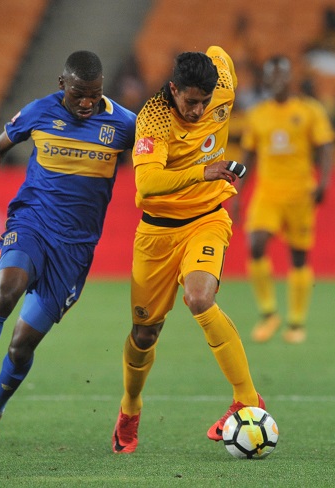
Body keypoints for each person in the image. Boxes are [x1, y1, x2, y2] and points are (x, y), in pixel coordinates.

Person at [0, 51, 136, 452]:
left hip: (74, 250)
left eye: (94, 94)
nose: (87, 103)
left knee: (21, 346)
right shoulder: (39, 112)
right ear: (63, 85)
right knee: (6, 292)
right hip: (32, 224)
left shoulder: (123, 124)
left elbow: (156, 159)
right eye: (79, 94)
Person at [111, 46, 265, 454]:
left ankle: (247, 399)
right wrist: (205, 170)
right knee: (145, 333)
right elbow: (147, 186)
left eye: (204, 102)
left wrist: (211, 181)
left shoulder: (223, 86)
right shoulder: (154, 118)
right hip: (158, 234)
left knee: (199, 298)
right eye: (190, 102)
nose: (198, 111)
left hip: (208, 218)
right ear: (173, 89)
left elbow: (220, 53)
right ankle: (130, 408)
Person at [234, 55, 335, 345]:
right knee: (255, 244)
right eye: (272, 75)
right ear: (266, 80)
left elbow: (326, 146)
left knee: (299, 256)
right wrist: (239, 194)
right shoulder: (257, 115)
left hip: (300, 194)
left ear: (290, 78)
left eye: (282, 75)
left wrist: (324, 181)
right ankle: (268, 314)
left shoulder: (309, 110)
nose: (277, 81)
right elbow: (249, 157)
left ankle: (296, 322)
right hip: (268, 193)